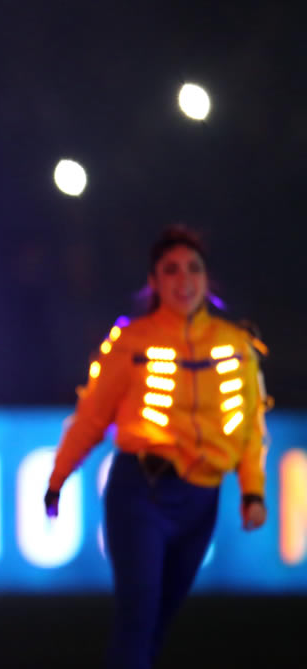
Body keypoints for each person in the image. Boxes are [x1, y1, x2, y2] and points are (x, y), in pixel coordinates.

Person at [44, 225, 268, 669]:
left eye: (193, 269)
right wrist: (58, 479)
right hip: (140, 492)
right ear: (155, 282)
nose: (183, 280)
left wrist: (253, 492)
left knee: (158, 624)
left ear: (207, 279)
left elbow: (250, 428)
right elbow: (91, 416)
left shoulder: (236, 345)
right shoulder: (132, 341)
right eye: (171, 270)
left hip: (202, 498)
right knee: (138, 618)